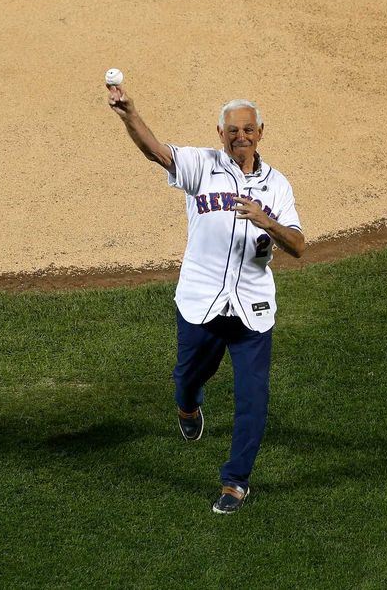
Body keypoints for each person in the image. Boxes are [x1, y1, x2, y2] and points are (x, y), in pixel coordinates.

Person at [107, 84, 305, 513]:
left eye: (248, 129)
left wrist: (267, 221)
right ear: (220, 133)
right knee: (187, 377)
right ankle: (187, 407)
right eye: (232, 130)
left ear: (261, 132)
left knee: (253, 397)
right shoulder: (202, 166)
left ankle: (235, 482)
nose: (240, 136)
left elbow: (298, 245)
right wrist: (129, 114)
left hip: (253, 308)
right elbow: (156, 151)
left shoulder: (277, 186)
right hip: (202, 302)